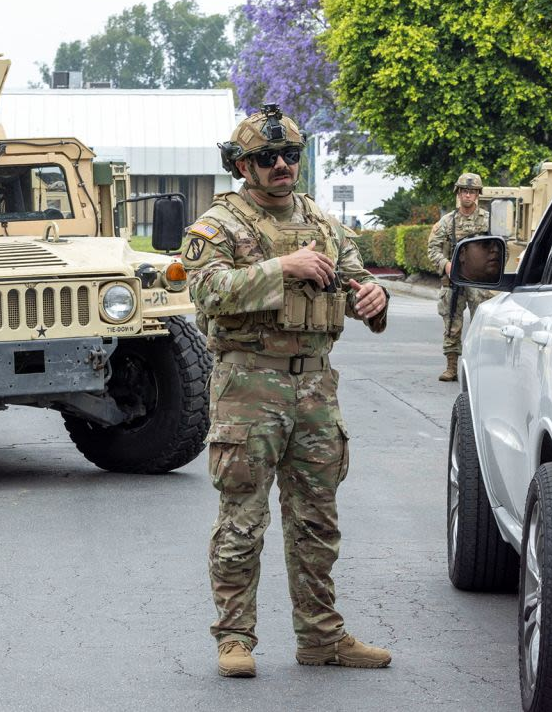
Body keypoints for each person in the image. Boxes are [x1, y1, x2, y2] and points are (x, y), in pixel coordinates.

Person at [184, 104, 392, 678]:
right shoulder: (218, 225)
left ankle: (322, 637)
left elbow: (356, 279)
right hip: (248, 382)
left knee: (316, 519)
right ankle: (234, 639)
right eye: (267, 157)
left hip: (316, 384)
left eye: (291, 155)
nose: (282, 165)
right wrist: (283, 267)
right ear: (242, 166)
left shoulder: (324, 224)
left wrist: (374, 298)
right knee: (242, 519)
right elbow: (206, 291)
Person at [426, 173, 491, 381]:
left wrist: (488, 267)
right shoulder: (447, 222)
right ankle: (451, 367)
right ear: (458, 193)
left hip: (479, 280)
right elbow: (433, 249)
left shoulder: (487, 221)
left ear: (477, 195)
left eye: (472, 191)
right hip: (453, 280)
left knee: (482, 324)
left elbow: (500, 248)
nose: (468, 195)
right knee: (451, 322)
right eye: (464, 191)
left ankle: (480, 368)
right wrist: (446, 264)